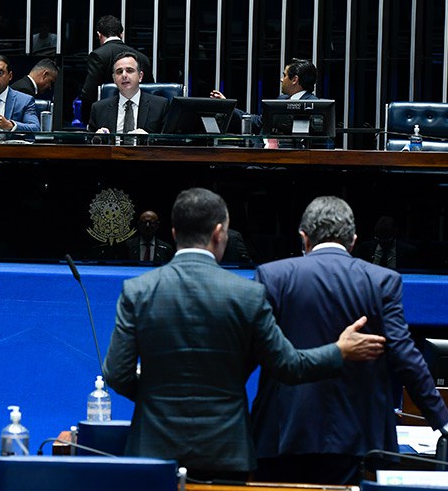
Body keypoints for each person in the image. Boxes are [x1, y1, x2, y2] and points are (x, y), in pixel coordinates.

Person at [102, 187, 386, 481]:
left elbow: (117, 374)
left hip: (153, 445)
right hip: (226, 451)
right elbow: (289, 366)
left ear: (174, 233)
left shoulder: (138, 291)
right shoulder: (247, 295)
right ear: (219, 233)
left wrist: (158, 397)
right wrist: (339, 350)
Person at [252, 196, 448, 485]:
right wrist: (446, 421)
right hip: (352, 438)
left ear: (303, 237)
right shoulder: (381, 280)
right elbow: (405, 356)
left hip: (281, 434)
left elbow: (253, 352)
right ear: (354, 241)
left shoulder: (272, 277)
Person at [211, 58, 318, 133]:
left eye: (284, 75)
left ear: (294, 80)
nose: (281, 80)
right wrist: (228, 106)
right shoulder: (280, 101)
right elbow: (258, 123)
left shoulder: (315, 105)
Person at [80, 15, 153, 118]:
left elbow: (89, 93)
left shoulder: (98, 55)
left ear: (99, 35)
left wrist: (88, 119)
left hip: (105, 116)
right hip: (140, 115)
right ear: (121, 34)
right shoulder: (142, 58)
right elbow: (150, 90)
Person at [88, 52, 168, 137]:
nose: (124, 75)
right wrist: (97, 139)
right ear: (114, 79)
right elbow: (88, 144)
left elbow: (168, 144)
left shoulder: (160, 106)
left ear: (140, 76)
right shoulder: (99, 109)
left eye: (129, 70)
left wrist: (148, 139)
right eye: (119, 72)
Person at [353, 215, 420, 270]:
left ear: (394, 235)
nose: (383, 243)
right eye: (380, 238)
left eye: (387, 239)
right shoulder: (365, 249)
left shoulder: (408, 252)